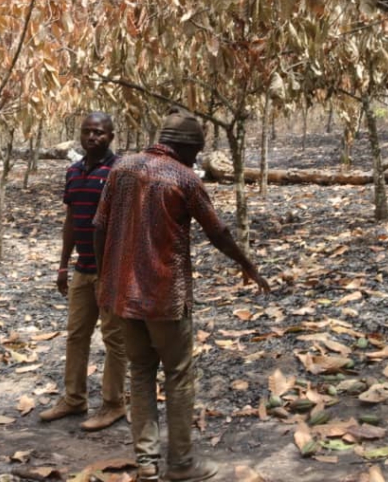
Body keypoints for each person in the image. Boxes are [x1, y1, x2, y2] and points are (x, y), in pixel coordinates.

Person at [93, 109, 270, 482]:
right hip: (164, 296)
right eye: (198, 151)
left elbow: (99, 227)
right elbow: (217, 231)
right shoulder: (184, 178)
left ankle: (146, 464)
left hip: (123, 294)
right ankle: (182, 464)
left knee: (140, 372)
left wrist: (103, 278)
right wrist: (246, 263)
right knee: (177, 375)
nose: (197, 159)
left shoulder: (121, 169)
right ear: (187, 148)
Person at [39, 112, 128, 432]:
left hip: (111, 271)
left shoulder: (120, 172)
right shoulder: (73, 172)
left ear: (111, 137)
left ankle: (114, 403)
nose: (93, 137)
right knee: (76, 335)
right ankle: (74, 398)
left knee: (114, 339)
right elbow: (71, 221)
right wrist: (63, 264)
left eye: (99, 133)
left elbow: (126, 224)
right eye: (88, 132)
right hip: (82, 268)